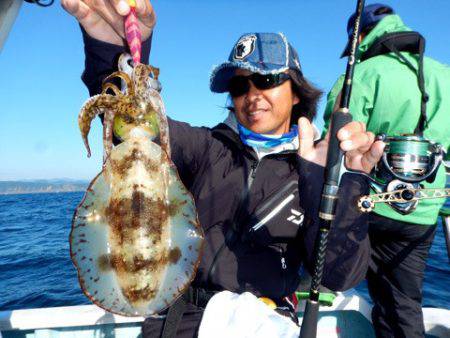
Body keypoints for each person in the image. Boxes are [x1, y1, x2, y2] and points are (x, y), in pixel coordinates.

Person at [62, 0, 385, 337]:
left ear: (296, 92)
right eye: (240, 85)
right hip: (179, 319)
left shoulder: (314, 165)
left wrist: (340, 184)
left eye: (267, 79)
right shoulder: (205, 147)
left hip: (267, 321)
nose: (252, 94)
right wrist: (119, 49)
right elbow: (130, 125)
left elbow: (338, 276)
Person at [324, 3, 450, 338]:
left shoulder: (364, 72)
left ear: (359, 36)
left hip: (372, 205)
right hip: (424, 213)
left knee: (331, 276)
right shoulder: (444, 74)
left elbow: (332, 132)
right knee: (403, 301)